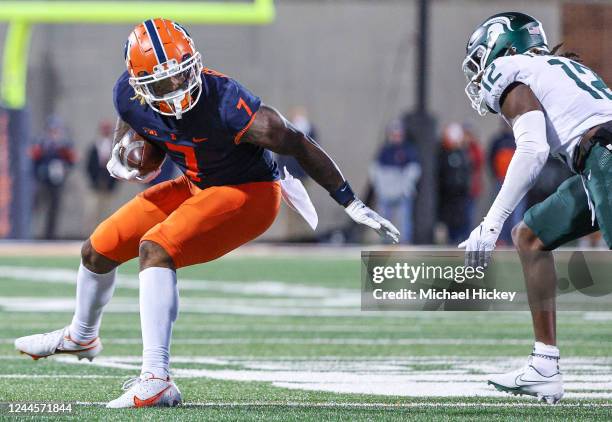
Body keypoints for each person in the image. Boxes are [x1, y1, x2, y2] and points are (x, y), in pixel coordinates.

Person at [14, 18, 399, 408]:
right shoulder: (127, 96)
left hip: (250, 193)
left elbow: (296, 143)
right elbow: (135, 126)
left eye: (182, 75)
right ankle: (82, 334)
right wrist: (124, 155)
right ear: (139, 86)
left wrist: (349, 200)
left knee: (156, 247)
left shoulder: (228, 102)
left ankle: (157, 377)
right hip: (198, 184)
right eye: (163, 84)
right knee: (98, 248)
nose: (179, 89)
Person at [460, 12, 612, 403]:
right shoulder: (556, 64)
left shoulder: (511, 68)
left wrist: (488, 226)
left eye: (480, 62)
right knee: (531, 236)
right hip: (595, 159)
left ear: (503, 47)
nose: (479, 77)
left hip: (605, 157)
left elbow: (532, 149)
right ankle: (544, 365)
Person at [369, 119, 421, 243]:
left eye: (398, 134)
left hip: (402, 193)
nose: (396, 137)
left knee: (404, 220)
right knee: (383, 221)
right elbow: (375, 170)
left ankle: (404, 243)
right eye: (393, 134)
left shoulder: (409, 150)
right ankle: (385, 243)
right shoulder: (384, 150)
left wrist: (406, 187)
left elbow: (414, 171)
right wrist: (380, 188)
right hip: (386, 192)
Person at [30, 116, 77, 239]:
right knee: (38, 206)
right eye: (52, 130)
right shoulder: (41, 143)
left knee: (54, 208)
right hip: (43, 180)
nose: (54, 133)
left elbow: (72, 161)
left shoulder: (64, 145)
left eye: (56, 130)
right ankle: (34, 233)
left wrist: (64, 169)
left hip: (57, 182)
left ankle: (49, 235)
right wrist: (39, 172)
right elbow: (33, 160)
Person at [487, 122, 527, 244]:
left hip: (517, 182)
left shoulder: (519, 140)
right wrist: (495, 175)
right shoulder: (497, 141)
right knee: (501, 212)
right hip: (501, 181)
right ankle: (501, 239)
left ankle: (516, 239)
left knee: (517, 211)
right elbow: (490, 159)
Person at [438, 123, 472, 244]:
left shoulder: (462, 153)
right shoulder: (444, 154)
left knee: (463, 219)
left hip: (461, 194)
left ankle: (463, 239)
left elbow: (466, 172)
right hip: (449, 195)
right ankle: (452, 240)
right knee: (451, 221)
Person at [86, 120, 118, 230]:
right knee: (92, 211)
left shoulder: (114, 146)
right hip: (96, 183)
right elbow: (88, 165)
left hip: (109, 183)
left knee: (108, 212)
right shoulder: (95, 145)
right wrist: (93, 179)